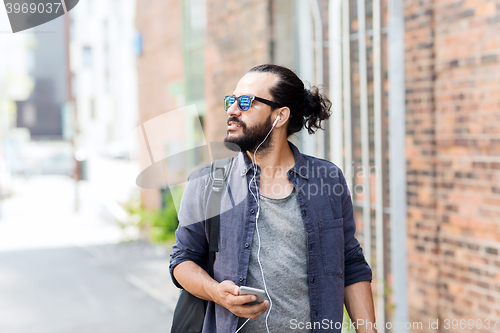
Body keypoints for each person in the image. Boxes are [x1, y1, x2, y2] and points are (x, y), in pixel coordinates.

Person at [169, 64, 376, 333]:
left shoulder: (327, 179)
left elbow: (350, 262)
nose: (232, 110)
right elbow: (183, 259)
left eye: (245, 102)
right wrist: (217, 292)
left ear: (279, 116)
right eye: (231, 101)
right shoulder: (206, 184)